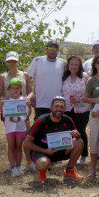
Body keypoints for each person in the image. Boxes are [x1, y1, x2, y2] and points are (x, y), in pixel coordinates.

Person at [26, 40, 67, 172]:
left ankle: (54, 158)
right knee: (38, 132)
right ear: (46, 49)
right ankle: (35, 159)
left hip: (58, 104)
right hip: (41, 102)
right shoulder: (37, 61)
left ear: (58, 51)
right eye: (50, 48)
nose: (52, 51)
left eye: (55, 49)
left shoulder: (62, 63)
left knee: (55, 131)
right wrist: (30, 95)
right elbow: (28, 78)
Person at [25, 96, 85, 185]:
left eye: (61, 107)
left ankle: (69, 171)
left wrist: (77, 135)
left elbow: (76, 137)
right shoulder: (41, 121)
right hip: (43, 152)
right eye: (56, 106)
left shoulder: (67, 120)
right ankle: (42, 174)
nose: (59, 109)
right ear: (51, 107)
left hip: (60, 150)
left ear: (65, 109)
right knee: (42, 164)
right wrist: (45, 151)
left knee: (79, 142)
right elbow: (26, 143)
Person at [61, 54, 90, 167]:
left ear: (80, 66)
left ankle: (83, 156)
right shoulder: (65, 78)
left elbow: (89, 93)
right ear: (68, 66)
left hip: (82, 109)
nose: (73, 66)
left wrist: (80, 99)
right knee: (70, 132)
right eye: (71, 64)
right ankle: (72, 154)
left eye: (76, 65)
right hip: (68, 109)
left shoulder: (84, 76)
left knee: (80, 131)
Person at [0, 78, 31, 176]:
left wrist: (29, 107)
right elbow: (3, 114)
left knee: (19, 147)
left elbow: (27, 115)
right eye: (13, 88)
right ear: (10, 90)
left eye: (17, 88)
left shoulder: (24, 100)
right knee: (11, 147)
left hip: (20, 127)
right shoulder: (7, 101)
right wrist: (1, 106)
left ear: (21, 89)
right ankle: (13, 167)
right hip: (10, 128)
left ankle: (18, 165)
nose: (15, 90)